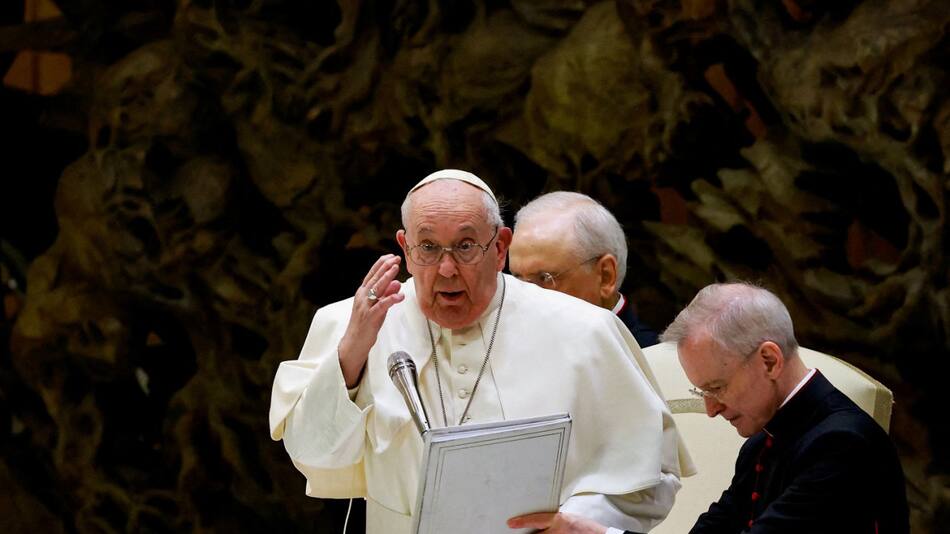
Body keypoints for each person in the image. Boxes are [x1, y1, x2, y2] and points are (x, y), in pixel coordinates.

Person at [269, 169, 693, 534]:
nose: (447, 268)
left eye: (466, 246)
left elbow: (651, 475)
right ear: (404, 247)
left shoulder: (585, 331)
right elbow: (311, 454)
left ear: (501, 247)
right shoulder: (351, 326)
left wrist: (574, 520)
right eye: (429, 247)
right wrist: (351, 356)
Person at [509, 282, 909, 534]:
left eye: (717, 387)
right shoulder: (762, 441)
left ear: (769, 360)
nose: (712, 410)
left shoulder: (841, 445)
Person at [509, 191, 658, 348]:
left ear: (605, 276)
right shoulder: (514, 345)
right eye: (518, 280)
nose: (525, 300)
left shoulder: (651, 362)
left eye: (544, 278)